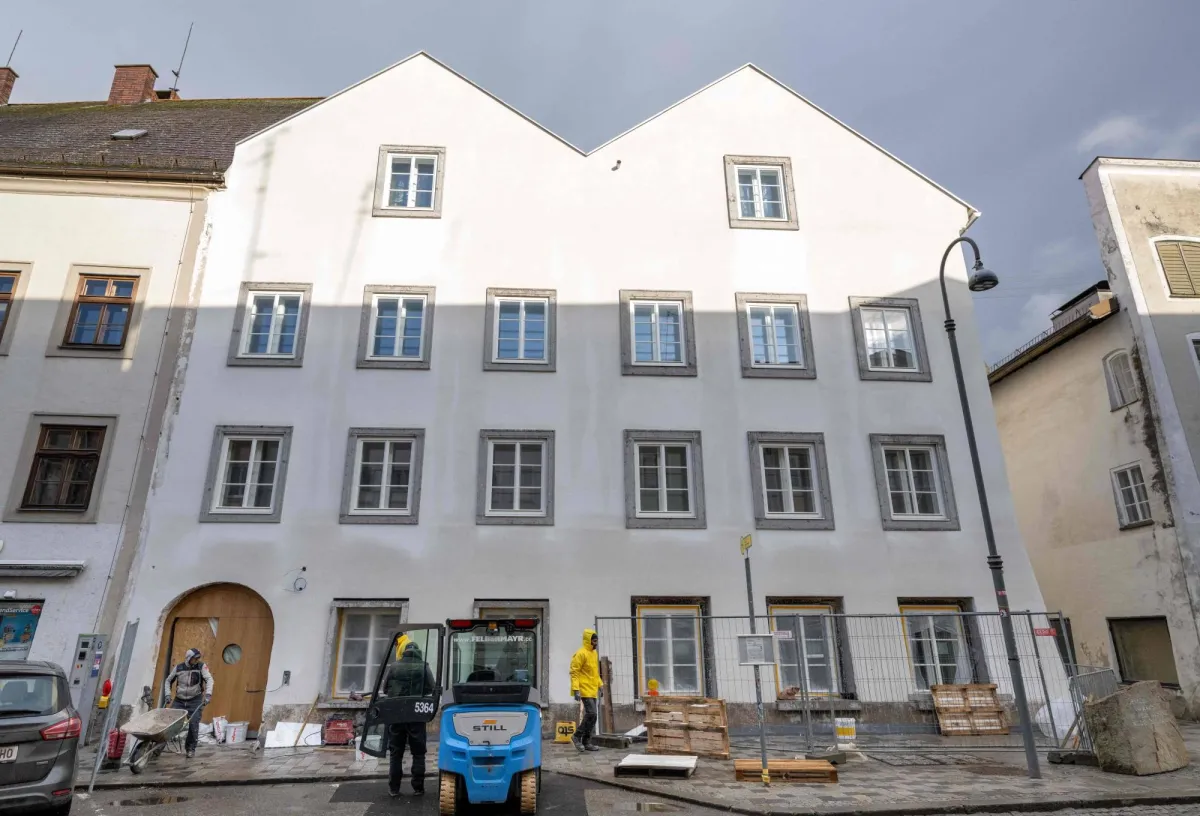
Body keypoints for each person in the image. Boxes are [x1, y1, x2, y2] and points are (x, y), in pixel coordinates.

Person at [383, 641, 435, 797]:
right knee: (418, 753)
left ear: (404, 652)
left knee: (396, 753)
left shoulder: (394, 666)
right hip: (416, 713)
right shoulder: (424, 666)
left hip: (396, 713)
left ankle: (394, 788)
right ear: (418, 652)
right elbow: (432, 687)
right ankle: (418, 788)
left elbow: (385, 689)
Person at [165, 648, 213, 759]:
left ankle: (190, 749)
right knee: (169, 723)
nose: (197, 660)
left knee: (193, 724)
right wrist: (167, 694)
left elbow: (209, 679)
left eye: (198, 658)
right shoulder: (179, 668)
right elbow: (168, 680)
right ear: (188, 658)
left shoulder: (201, 667)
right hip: (179, 700)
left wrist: (208, 695)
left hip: (195, 700)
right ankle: (158, 747)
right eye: (195, 658)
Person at [569, 628, 602, 752]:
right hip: (584, 689)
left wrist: (600, 685)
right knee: (591, 713)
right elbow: (574, 672)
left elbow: (595, 672)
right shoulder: (580, 653)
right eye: (594, 641)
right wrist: (576, 689)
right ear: (588, 641)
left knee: (594, 717)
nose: (596, 643)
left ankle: (586, 742)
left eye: (596, 640)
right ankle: (576, 736)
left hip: (592, 689)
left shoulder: (594, 653)